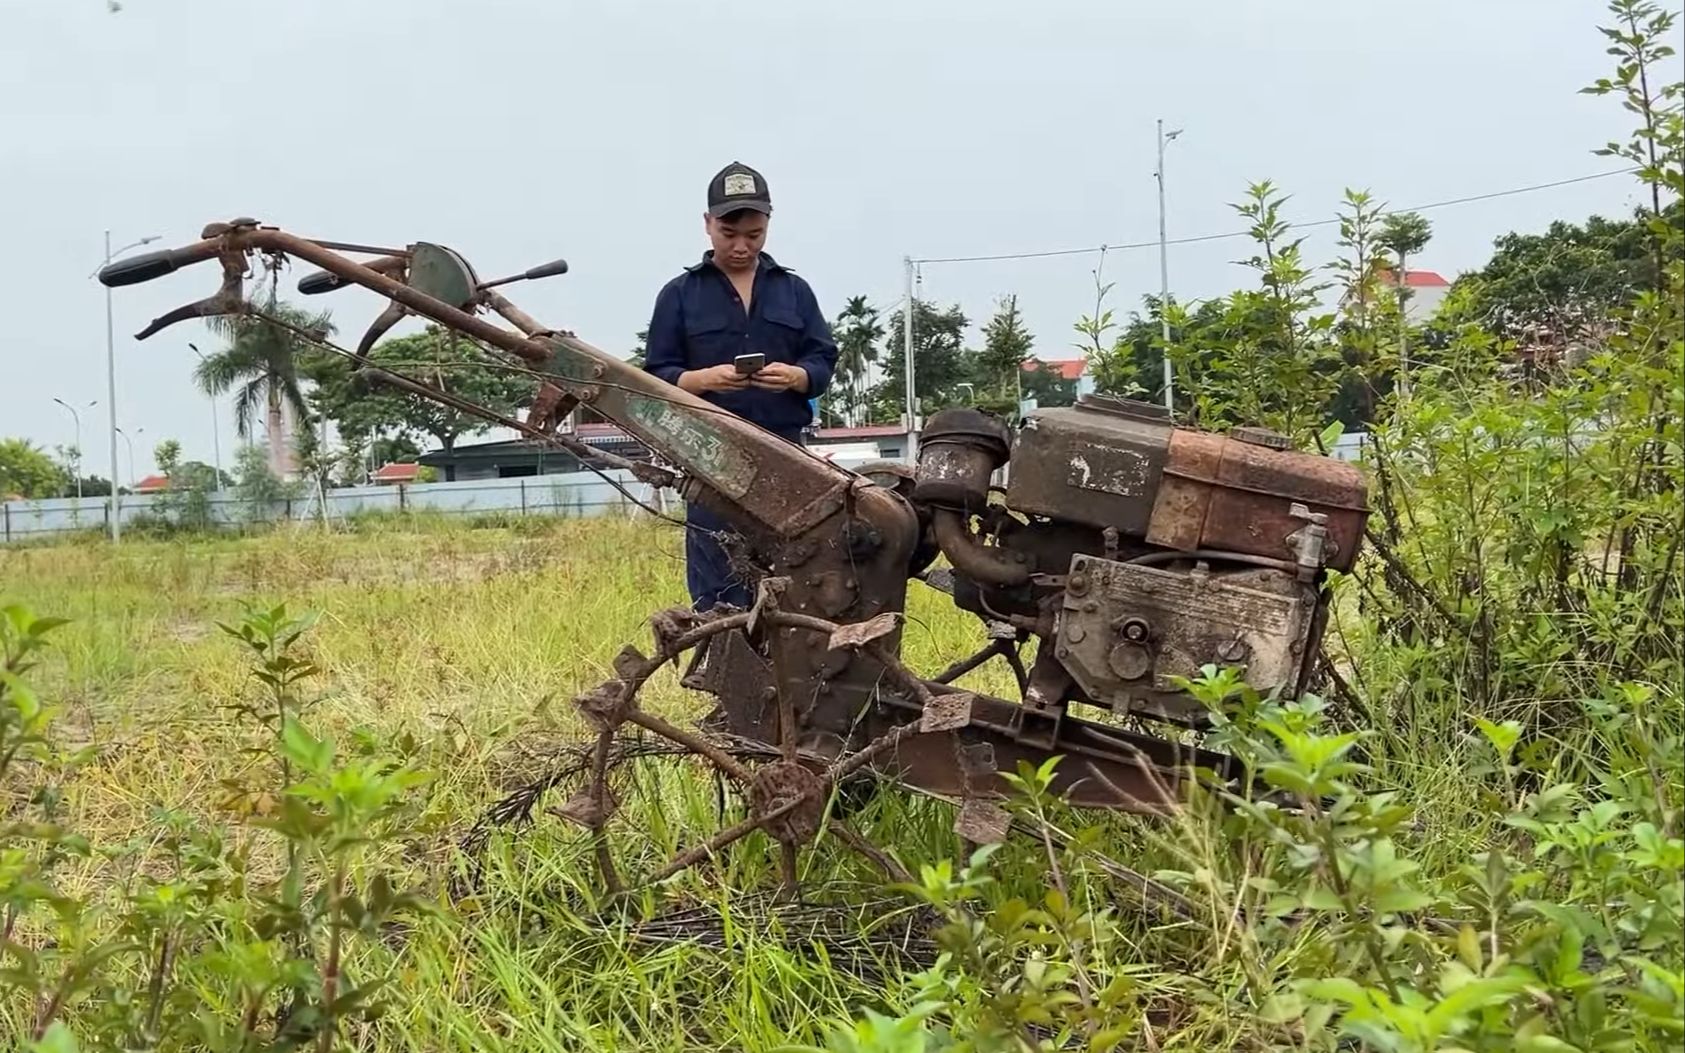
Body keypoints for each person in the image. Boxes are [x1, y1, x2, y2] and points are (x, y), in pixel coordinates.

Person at [642, 161, 838, 610]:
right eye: (729, 234)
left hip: (785, 452)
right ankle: (727, 663)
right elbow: (655, 376)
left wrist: (797, 376)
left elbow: (822, 360)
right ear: (707, 224)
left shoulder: (794, 291)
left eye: (754, 234)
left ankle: (791, 668)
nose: (741, 246)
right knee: (719, 579)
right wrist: (702, 380)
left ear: (768, 224)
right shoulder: (679, 294)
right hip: (708, 454)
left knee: (792, 567)